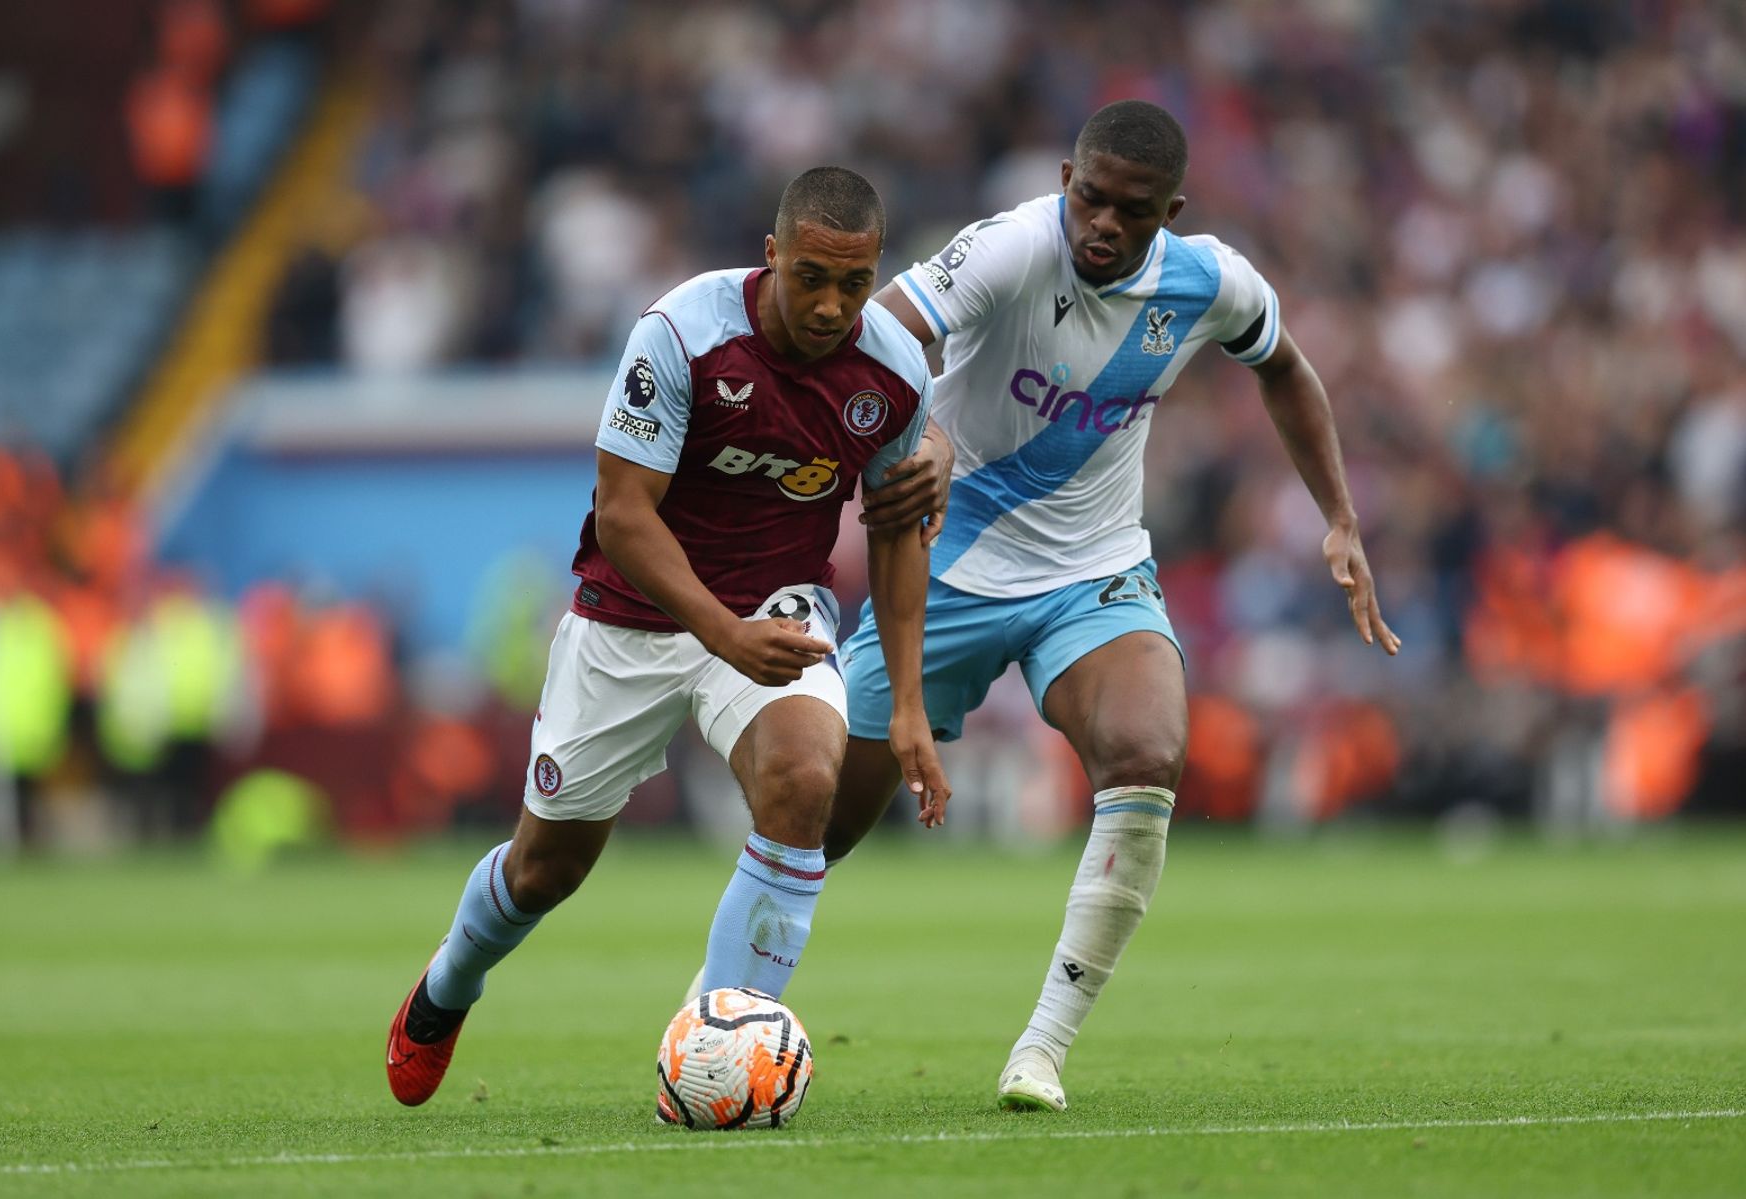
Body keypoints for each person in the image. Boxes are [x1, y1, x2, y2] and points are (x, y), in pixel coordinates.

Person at [837, 100, 1403, 1112]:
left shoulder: (1208, 283)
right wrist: (919, 432)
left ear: (1168, 211)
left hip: (1091, 572)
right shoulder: (1012, 246)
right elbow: (883, 329)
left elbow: (1286, 368)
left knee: (1149, 750)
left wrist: (1340, 518)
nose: (1101, 222)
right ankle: (723, 1004)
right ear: (1067, 179)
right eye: (1088, 197)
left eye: (1129, 210)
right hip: (950, 561)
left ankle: (1041, 1048)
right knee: (816, 817)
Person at [385, 166, 952, 1107]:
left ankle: (725, 1049)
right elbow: (623, 517)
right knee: (545, 869)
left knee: (805, 779)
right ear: (772, 255)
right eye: (812, 276)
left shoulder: (893, 373)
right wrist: (724, 635)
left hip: (778, 605)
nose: (831, 305)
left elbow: (896, 529)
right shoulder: (683, 335)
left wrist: (908, 705)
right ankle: (447, 989)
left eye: (855, 284)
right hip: (634, 618)